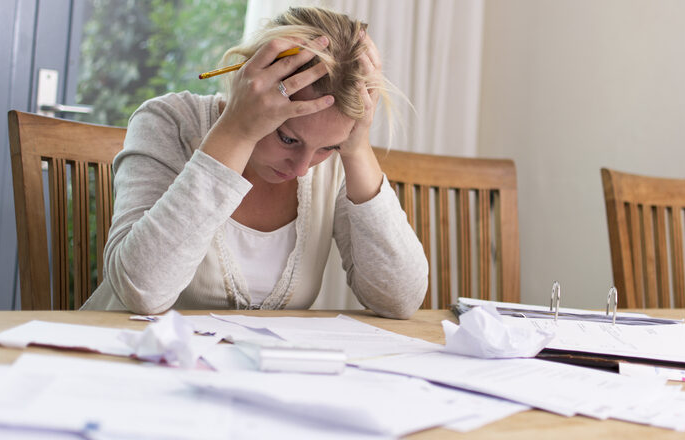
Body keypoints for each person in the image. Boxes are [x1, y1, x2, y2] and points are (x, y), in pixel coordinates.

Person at [81, 6, 427, 319]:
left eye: (329, 148)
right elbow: (142, 291)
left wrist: (355, 148)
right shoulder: (168, 121)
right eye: (288, 139)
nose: (302, 168)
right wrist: (236, 132)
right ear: (251, 84)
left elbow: (399, 300)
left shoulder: (337, 160)